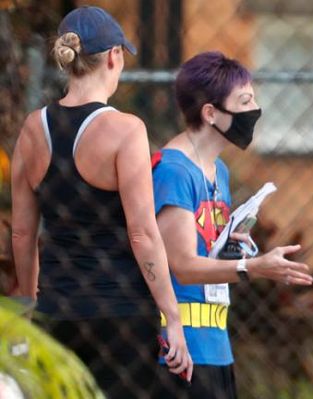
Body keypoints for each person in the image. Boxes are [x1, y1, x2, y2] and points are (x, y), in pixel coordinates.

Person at [9, 6, 191, 396]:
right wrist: (172, 316)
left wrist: (29, 300)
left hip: (56, 310)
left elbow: (22, 233)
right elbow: (142, 233)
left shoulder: (32, 129)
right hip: (120, 313)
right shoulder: (126, 130)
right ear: (113, 56)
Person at [151, 51, 313, 398]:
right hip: (181, 350)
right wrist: (253, 267)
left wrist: (232, 247)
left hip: (216, 345)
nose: (254, 108)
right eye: (244, 100)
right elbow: (182, 266)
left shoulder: (218, 171)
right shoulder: (175, 171)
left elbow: (205, 252)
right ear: (210, 113)